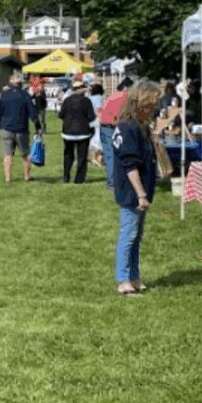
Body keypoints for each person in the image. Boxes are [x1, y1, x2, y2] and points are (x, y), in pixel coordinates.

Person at [112, 80, 160, 296]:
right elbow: (129, 165)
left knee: (137, 236)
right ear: (141, 103)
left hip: (142, 190)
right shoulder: (127, 127)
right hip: (132, 191)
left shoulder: (141, 127)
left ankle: (134, 276)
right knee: (129, 234)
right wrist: (140, 193)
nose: (155, 108)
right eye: (152, 104)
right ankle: (123, 279)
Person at [0, 71, 40, 183]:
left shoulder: (4, 95)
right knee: (25, 154)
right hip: (22, 129)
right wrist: (37, 125)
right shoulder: (25, 95)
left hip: (6, 128)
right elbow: (32, 112)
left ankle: (8, 178)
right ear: (21, 84)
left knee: (7, 154)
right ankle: (27, 176)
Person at [58, 80, 96, 184]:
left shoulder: (67, 101)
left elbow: (61, 115)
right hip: (83, 132)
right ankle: (79, 179)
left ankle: (66, 177)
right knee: (82, 157)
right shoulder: (86, 101)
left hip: (68, 132)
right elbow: (91, 117)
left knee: (68, 155)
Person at [98, 77, 133, 189]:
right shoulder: (126, 98)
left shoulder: (112, 96)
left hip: (104, 126)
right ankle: (118, 181)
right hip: (116, 127)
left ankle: (112, 182)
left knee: (109, 155)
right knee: (121, 155)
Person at [88, 83, 104, 166]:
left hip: (89, 121)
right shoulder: (100, 98)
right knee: (98, 139)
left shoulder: (89, 98)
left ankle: (96, 158)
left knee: (93, 138)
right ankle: (96, 158)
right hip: (97, 120)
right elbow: (98, 110)